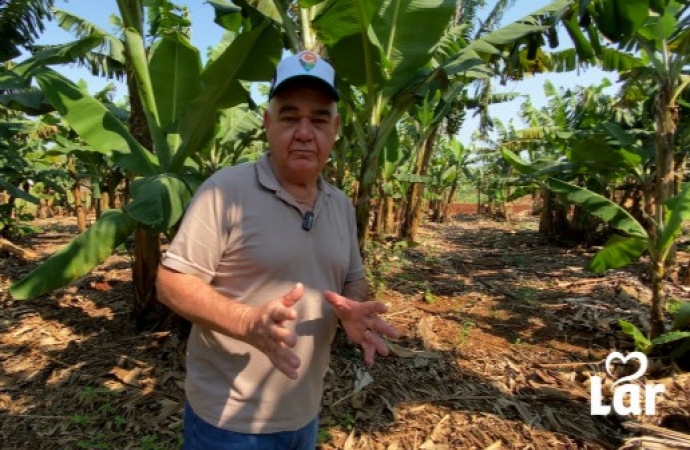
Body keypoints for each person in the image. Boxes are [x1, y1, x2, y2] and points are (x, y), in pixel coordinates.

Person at [156, 50, 400, 450]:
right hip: (230, 421)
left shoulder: (339, 204)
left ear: (335, 129)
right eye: (290, 117)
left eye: (319, 120)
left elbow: (354, 278)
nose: (305, 132)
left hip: (304, 413)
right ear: (268, 124)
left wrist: (353, 308)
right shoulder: (226, 191)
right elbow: (171, 282)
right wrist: (247, 322)